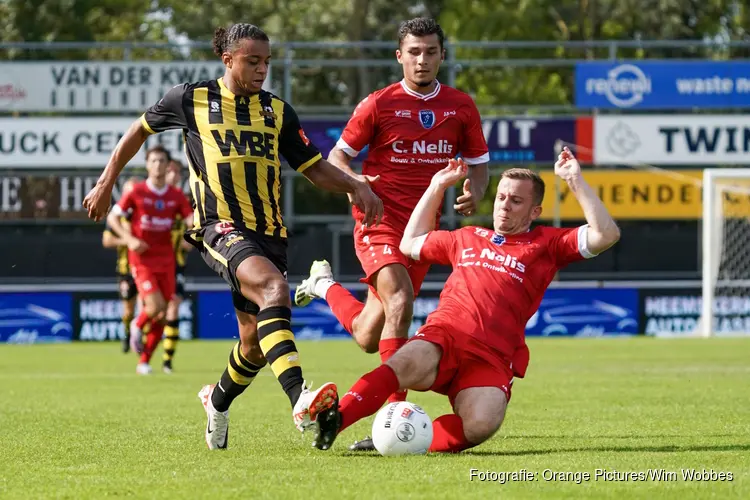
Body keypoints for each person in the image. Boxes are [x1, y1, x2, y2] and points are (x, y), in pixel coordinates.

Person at [83, 23, 383, 450]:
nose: (262, 70)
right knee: (275, 287)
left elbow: (314, 167)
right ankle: (301, 401)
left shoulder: (277, 111)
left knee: (254, 346)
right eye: (252, 61)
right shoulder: (190, 98)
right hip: (219, 226)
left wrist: (354, 184)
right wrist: (107, 181)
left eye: (267, 62)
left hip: (270, 234)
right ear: (228, 60)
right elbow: (138, 131)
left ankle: (216, 401)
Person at [302, 149, 621, 452]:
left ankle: (403, 441)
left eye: (516, 200)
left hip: (492, 357)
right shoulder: (468, 237)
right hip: (445, 336)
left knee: (482, 424)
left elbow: (605, 235)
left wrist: (575, 180)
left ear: (534, 211)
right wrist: (436, 186)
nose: (504, 205)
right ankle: (336, 419)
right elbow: (410, 243)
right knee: (401, 362)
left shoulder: (547, 244)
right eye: (501, 197)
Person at [294, 17, 489, 435]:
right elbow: (338, 158)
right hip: (377, 220)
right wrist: (354, 182)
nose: (422, 60)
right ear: (400, 56)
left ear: (441, 55)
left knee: (369, 335)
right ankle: (392, 416)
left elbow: (479, 165)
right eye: (414, 52)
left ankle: (323, 285)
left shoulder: (460, 105)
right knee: (400, 299)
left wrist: (475, 191)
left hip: (420, 232)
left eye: (430, 52)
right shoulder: (378, 103)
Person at [106, 145, 194, 375]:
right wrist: (129, 239)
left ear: (167, 165)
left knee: (164, 313)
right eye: (153, 161)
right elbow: (113, 218)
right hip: (142, 260)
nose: (157, 165)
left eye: (161, 161)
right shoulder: (136, 192)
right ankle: (136, 324)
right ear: (147, 165)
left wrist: (198, 225)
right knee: (155, 306)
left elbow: (190, 219)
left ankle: (144, 361)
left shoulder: (175, 196)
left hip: (167, 261)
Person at [101, 176, 140, 353]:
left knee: (148, 307)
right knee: (128, 310)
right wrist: (128, 240)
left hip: (146, 266)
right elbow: (107, 240)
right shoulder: (119, 217)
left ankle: (140, 340)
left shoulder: (145, 213)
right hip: (126, 269)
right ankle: (126, 334)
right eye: (128, 191)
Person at [161, 159, 193, 374]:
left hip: (176, 264)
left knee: (174, 305)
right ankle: (142, 352)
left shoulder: (184, 202)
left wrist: (189, 240)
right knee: (154, 310)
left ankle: (166, 361)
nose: (173, 175)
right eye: (170, 171)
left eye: (177, 172)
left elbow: (193, 232)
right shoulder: (154, 199)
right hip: (151, 262)